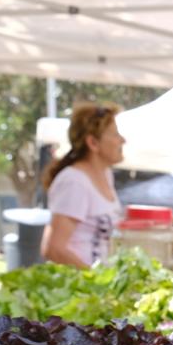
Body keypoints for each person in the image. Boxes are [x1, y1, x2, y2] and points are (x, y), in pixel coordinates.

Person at [40, 102, 125, 268]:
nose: (122, 140)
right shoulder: (74, 182)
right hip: (79, 287)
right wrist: (94, 279)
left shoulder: (105, 175)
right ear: (93, 142)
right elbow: (53, 248)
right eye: (115, 134)